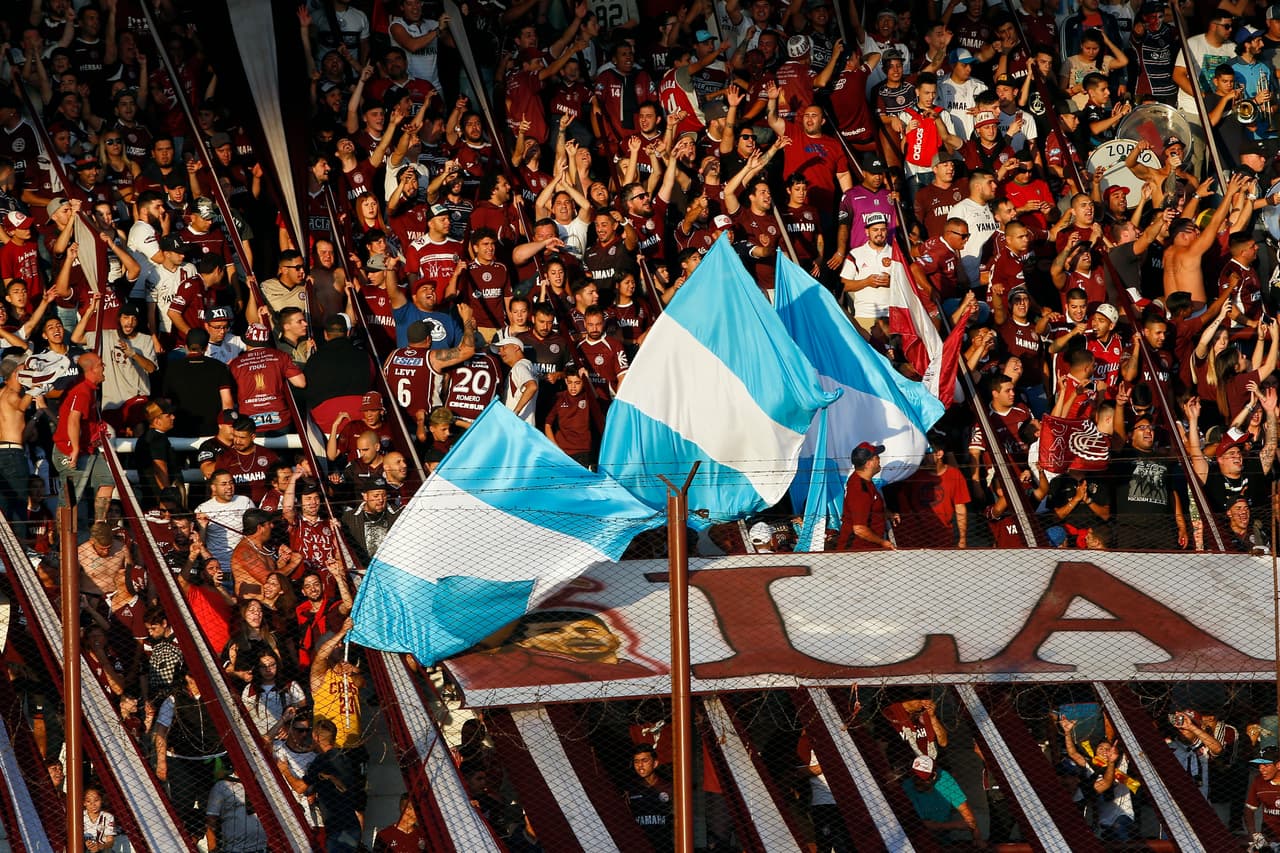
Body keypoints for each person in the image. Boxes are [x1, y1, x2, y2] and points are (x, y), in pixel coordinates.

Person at [448, 609, 661, 689]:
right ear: (524, 642)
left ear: (614, 639)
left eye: (588, 630)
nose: (576, 636)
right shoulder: (516, 667)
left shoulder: (645, 675)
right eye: (554, 631)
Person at [304, 716, 364, 853]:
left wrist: (283, 769)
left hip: (337, 829)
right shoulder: (344, 758)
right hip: (351, 825)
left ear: (315, 737)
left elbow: (301, 787)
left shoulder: (320, 761)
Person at [901, 755, 985, 848]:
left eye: (922, 778)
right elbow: (921, 824)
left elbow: (964, 809)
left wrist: (977, 836)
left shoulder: (944, 779)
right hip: (918, 834)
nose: (917, 781)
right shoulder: (907, 787)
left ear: (933, 776)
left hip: (944, 831)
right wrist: (954, 825)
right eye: (915, 776)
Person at [196, 469, 257, 582]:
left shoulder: (245, 502)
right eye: (224, 484)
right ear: (213, 487)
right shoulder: (203, 509)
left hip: (244, 567)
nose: (229, 487)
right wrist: (203, 527)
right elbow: (200, 543)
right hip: (219, 570)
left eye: (231, 482)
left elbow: (256, 533)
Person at [836, 442, 895, 550]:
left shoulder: (865, 482)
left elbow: (869, 507)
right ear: (868, 463)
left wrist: (885, 513)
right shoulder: (860, 490)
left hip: (866, 550)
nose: (879, 459)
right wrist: (882, 542)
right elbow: (859, 529)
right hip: (856, 552)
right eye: (877, 457)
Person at [205, 767, 269, 853]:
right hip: (235, 849)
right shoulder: (222, 785)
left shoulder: (264, 783)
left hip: (262, 847)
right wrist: (212, 847)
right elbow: (211, 818)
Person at [627, 743, 674, 853]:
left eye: (644, 761)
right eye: (636, 762)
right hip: (639, 845)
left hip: (664, 846)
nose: (640, 766)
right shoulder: (629, 790)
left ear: (655, 763)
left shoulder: (668, 787)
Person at [82, 786, 116, 852]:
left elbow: (110, 841)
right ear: (84, 803)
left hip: (102, 849)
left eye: (96, 800)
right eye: (88, 801)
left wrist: (100, 847)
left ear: (101, 800)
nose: (93, 804)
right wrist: (83, 843)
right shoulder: (80, 816)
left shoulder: (108, 817)